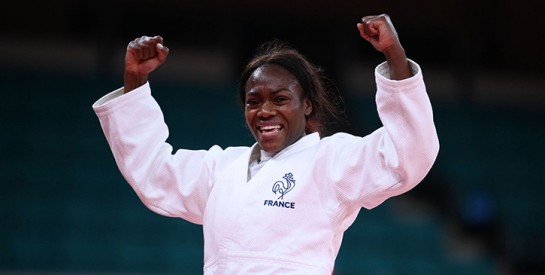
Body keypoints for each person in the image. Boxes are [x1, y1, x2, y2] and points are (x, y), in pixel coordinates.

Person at [93, 14, 439, 274]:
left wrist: (394, 55)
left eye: (279, 98)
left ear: (307, 106)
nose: (265, 110)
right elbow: (154, 174)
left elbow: (406, 153)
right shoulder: (220, 168)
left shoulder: (331, 160)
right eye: (253, 101)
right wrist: (136, 80)